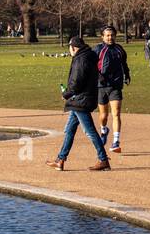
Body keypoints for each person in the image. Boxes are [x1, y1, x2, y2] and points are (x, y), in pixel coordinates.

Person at [47, 36, 110, 171]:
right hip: (81, 100)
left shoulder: (81, 59)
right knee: (70, 130)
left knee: (90, 131)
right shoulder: (87, 56)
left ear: (73, 48)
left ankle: (103, 159)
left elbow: (76, 83)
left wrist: (66, 94)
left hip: (81, 100)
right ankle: (61, 159)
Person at [96, 25, 131, 155]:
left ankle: (116, 142)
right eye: (107, 35)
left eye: (112, 35)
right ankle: (104, 130)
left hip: (115, 86)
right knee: (103, 116)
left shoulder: (119, 50)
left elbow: (124, 64)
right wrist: (98, 77)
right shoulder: (98, 49)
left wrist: (127, 75)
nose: (110, 37)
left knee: (116, 114)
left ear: (115, 36)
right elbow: (92, 65)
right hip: (101, 86)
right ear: (103, 37)